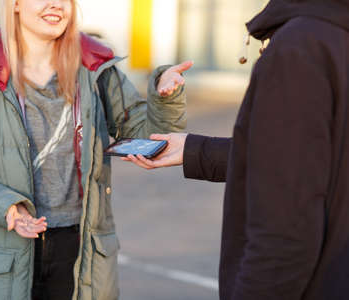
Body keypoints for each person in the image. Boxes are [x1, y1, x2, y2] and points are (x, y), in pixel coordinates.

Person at [0, 0, 192, 299]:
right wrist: (6, 207)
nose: (56, 5)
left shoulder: (97, 71)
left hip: (81, 252)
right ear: (14, 5)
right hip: (3, 255)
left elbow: (149, 138)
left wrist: (165, 97)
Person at [122, 0, 349, 299]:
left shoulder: (300, 48)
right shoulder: (332, 34)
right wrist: (195, 150)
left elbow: (284, 239)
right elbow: (316, 158)